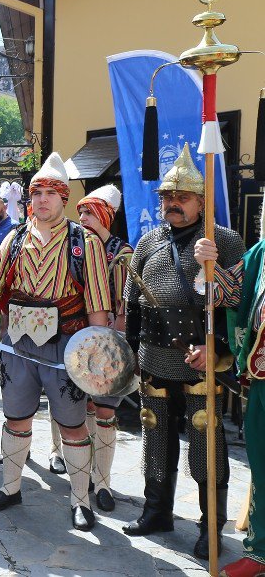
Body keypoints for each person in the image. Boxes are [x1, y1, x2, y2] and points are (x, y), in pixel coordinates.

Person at [0, 152, 112, 531]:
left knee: (73, 424)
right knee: (16, 417)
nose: (42, 199)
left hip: (66, 344)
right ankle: (11, 488)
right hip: (19, 343)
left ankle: (80, 500)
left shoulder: (84, 242)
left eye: (51, 192)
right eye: (36, 192)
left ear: (64, 197)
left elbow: (96, 303)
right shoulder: (15, 238)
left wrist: (98, 350)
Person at [122, 144, 244, 559]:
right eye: (167, 197)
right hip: (155, 359)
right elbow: (132, 302)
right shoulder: (148, 242)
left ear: (201, 202)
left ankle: (211, 527)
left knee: (205, 442)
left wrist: (218, 351)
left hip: (200, 362)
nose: (173, 204)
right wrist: (131, 354)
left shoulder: (222, 242)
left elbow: (239, 302)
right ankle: (157, 512)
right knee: (155, 437)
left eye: (183, 197)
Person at [199, 202, 265, 576]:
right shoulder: (261, 253)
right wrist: (208, 264)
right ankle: (261, 551)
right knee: (263, 461)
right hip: (262, 375)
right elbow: (226, 293)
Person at [75, 184, 133, 512]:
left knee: (105, 410)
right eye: (80, 211)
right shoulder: (73, 246)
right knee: (76, 406)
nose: (83, 217)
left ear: (105, 216)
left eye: (90, 212)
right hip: (75, 338)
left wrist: (115, 346)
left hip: (107, 340)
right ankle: (74, 468)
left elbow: (123, 308)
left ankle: (103, 482)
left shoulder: (121, 254)